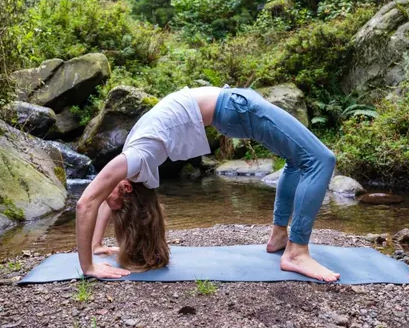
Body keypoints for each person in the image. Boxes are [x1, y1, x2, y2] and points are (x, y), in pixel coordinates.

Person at [76, 86, 339, 282]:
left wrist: (96, 245)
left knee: (296, 160)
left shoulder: (137, 172)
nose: (105, 196)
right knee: (321, 160)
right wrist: (87, 267)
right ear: (125, 188)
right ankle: (296, 252)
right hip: (237, 108)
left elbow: (102, 201)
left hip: (232, 110)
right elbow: (86, 202)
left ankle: (279, 237)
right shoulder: (137, 157)